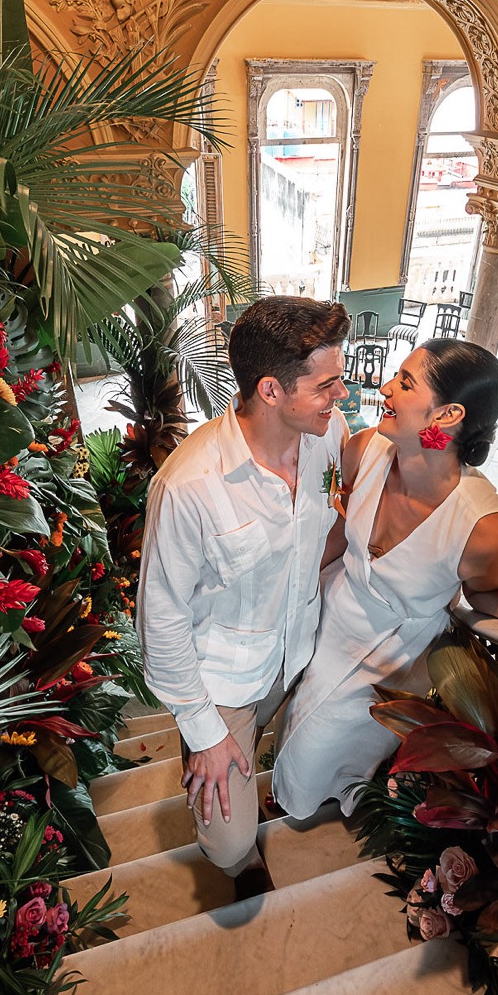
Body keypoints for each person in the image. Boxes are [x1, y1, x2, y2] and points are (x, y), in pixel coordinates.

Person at [273, 338, 498, 821]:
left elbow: (490, 590)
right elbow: (340, 523)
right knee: (296, 713)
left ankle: (313, 803)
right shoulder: (364, 449)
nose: (386, 389)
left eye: (406, 383)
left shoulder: (485, 528)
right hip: (333, 609)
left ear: (448, 415)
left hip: (391, 655)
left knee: (320, 746)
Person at [135, 296, 350, 893]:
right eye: (328, 385)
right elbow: (160, 622)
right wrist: (204, 732)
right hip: (225, 679)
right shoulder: (188, 486)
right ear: (271, 391)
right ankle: (219, 790)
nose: (343, 396)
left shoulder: (326, 438)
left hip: (298, 651)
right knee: (230, 842)